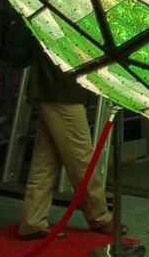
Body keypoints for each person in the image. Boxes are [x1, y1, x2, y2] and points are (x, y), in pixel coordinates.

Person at [19, 43, 124, 240]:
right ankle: (99, 216)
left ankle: (33, 220)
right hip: (61, 89)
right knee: (81, 157)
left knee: (46, 160)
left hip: (48, 87)